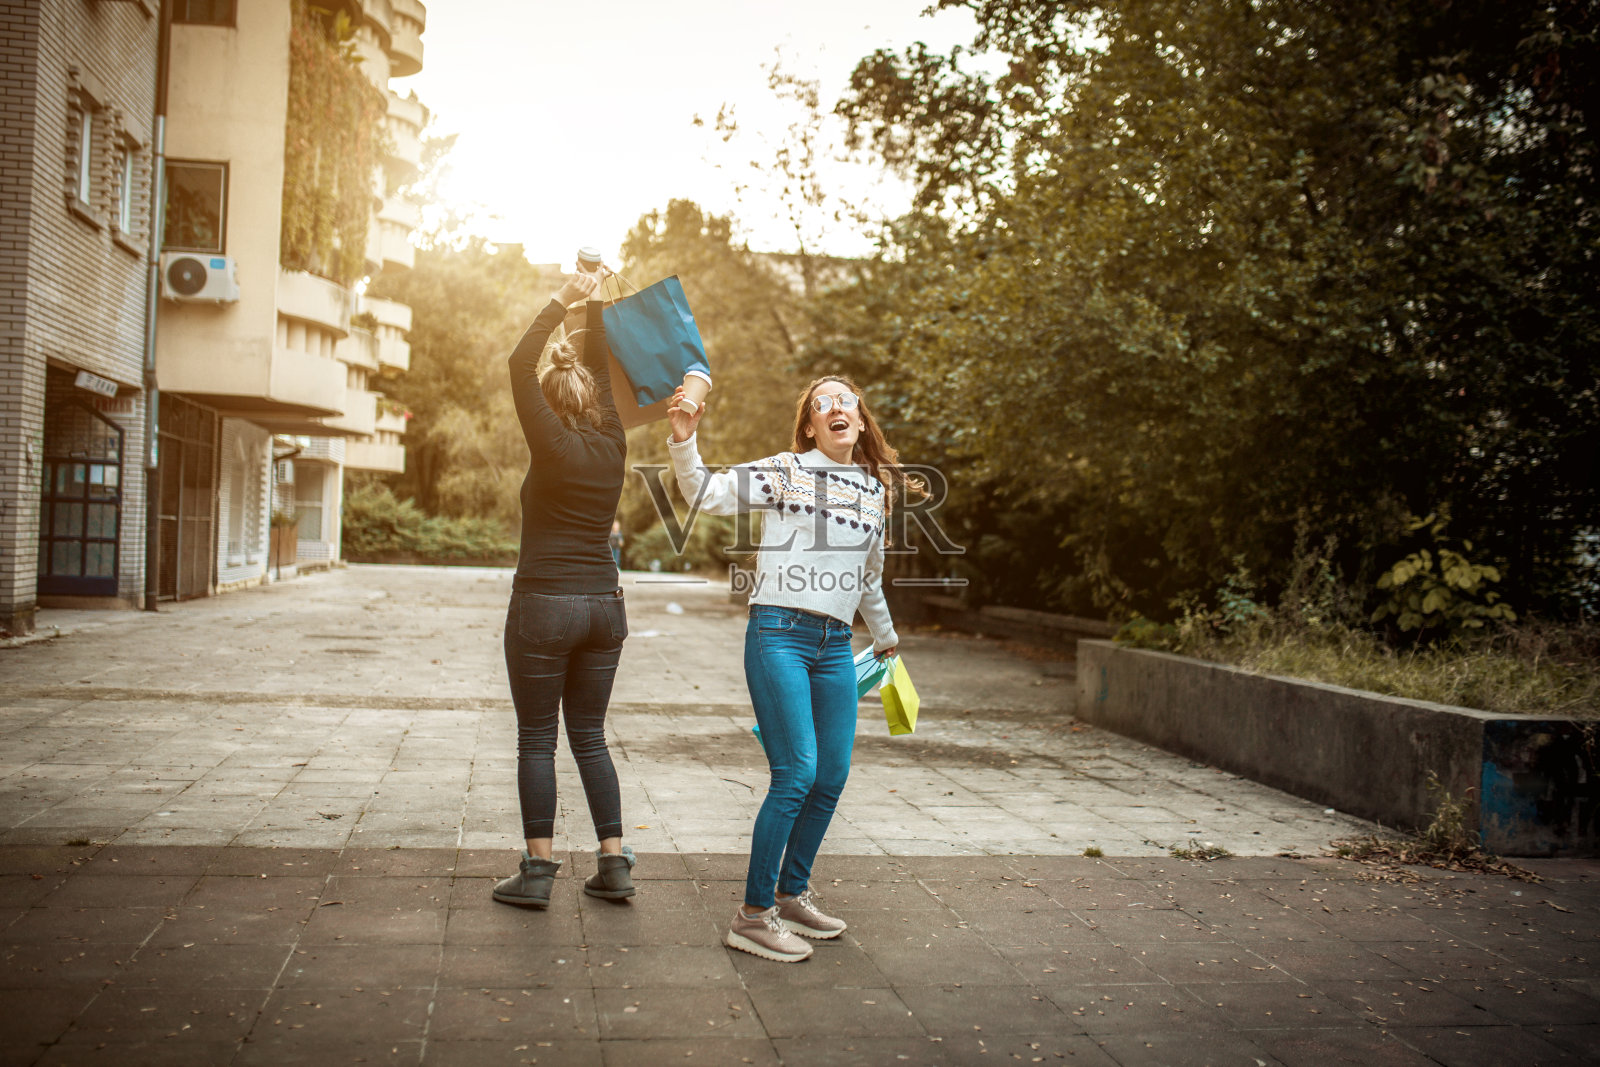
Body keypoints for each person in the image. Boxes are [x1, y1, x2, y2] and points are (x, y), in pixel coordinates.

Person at [667, 375, 917, 962]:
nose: (836, 408)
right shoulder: (788, 469)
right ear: (810, 425)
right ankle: (753, 916)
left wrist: (886, 640)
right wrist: (684, 439)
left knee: (831, 775)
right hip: (778, 634)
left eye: (846, 400)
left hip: (834, 646)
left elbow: (867, 578)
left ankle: (792, 891)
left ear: (859, 417)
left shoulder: (875, 490)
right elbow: (704, 492)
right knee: (797, 773)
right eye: (822, 403)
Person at [493, 270, 636, 909]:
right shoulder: (613, 440)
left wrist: (565, 298)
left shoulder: (548, 441)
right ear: (592, 398)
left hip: (545, 607)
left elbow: (521, 360)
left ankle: (538, 872)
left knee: (535, 739)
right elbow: (602, 367)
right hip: (605, 609)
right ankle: (614, 865)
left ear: (550, 401)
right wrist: (597, 301)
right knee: (590, 736)